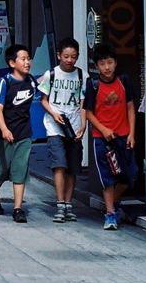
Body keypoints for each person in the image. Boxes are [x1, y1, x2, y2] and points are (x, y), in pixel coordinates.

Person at [83, 43, 138, 231]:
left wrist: (132, 132)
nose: (107, 67)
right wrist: (103, 129)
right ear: (96, 66)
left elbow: (130, 107)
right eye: (102, 63)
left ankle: (114, 200)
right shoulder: (93, 85)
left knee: (131, 173)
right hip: (102, 139)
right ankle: (110, 214)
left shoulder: (124, 81)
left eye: (110, 62)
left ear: (115, 63)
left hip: (123, 136)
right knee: (107, 177)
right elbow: (88, 113)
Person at [38, 37, 88, 223]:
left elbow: (84, 103)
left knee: (73, 168)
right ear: (59, 55)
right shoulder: (51, 74)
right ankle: (60, 204)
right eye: (66, 56)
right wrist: (53, 114)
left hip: (74, 127)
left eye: (73, 57)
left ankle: (68, 204)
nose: (69, 60)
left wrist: (83, 124)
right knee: (59, 164)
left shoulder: (83, 76)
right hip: (54, 127)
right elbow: (43, 99)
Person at [0, 45, 37, 223]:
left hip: (24, 134)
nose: (27, 62)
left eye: (28, 58)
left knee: (20, 171)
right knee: (0, 172)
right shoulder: (5, 82)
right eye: (23, 59)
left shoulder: (31, 81)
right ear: (12, 62)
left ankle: (18, 209)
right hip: (3, 136)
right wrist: (4, 130)